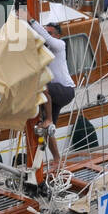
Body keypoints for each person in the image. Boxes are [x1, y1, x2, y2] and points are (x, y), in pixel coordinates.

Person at [28, 19, 74, 171]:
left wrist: (31, 21)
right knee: (47, 130)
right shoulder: (42, 51)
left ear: (58, 36)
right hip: (52, 95)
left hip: (66, 90)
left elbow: (47, 40)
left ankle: (48, 119)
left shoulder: (60, 45)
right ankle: (57, 160)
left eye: (50, 33)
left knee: (43, 85)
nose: (46, 37)